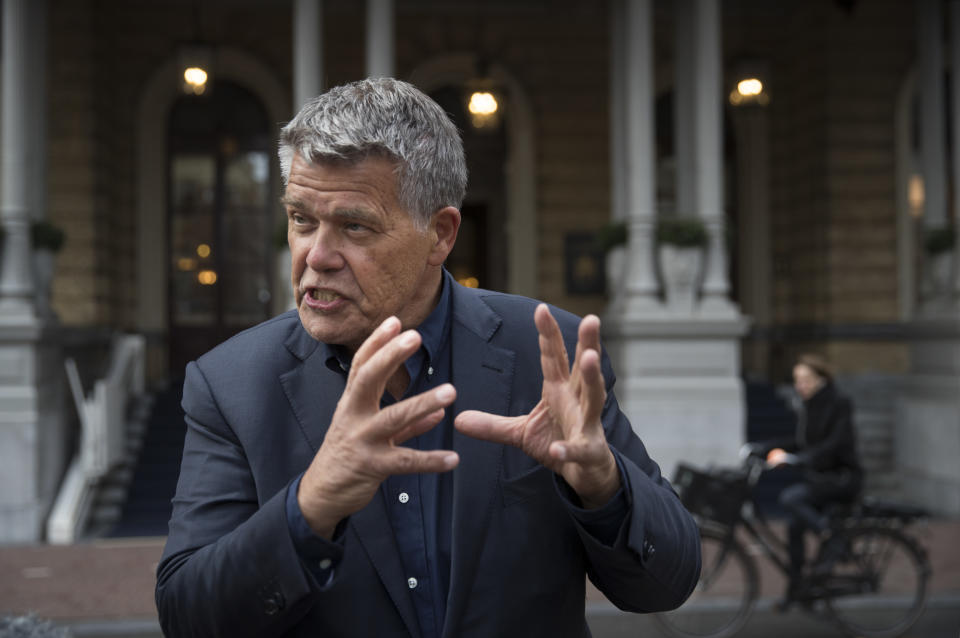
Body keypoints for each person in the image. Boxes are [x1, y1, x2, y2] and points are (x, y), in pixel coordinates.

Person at [155, 77, 700, 638]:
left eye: (354, 226)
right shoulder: (230, 384)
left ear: (440, 235)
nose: (316, 256)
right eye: (301, 220)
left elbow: (667, 584)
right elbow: (188, 617)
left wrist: (602, 483)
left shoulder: (544, 354)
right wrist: (312, 505)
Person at [765, 353, 862, 607]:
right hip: (821, 480)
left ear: (822, 379)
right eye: (797, 381)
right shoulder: (808, 406)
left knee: (790, 498)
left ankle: (832, 536)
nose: (800, 386)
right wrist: (765, 448)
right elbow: (800, 442)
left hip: (842, 479)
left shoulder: (839, 403)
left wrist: (803, 459)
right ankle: (796, 590)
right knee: (794, 528)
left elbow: (836, 443)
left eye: (806, 380)